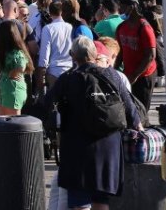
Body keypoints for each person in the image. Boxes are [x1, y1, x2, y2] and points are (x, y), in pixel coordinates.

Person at [46, 37, 141, 210]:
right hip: (108, 145)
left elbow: (47, 104)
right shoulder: (112, 75)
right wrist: (138, 126)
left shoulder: (68, 79)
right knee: (101, 201)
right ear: (94, 54)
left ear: (73, 56)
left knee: (79, 201)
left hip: (78, 144)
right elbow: (129, 106)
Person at [114, 0, 157, 111]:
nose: (120, 9)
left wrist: (135, 75)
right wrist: (113, 71)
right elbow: (121, 52)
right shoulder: (121, 28)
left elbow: (151, 55)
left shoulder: (144, 28)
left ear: (132, 7)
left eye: (122, 6)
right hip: (128, 75)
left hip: (144, 76)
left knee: (142, 111)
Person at [0, 19, 32, 116]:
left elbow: (21, 65)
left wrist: (13, 73)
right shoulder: (6, 51)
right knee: (1, 122)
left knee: (12, 124)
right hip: (5, 89)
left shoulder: (17, 52)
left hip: (13, 90)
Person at [35, 1, 73, 91]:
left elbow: (45, 53)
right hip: (70, 70)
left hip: (54, 72)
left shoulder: (48, 28)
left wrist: (41, 74)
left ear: (50, 12)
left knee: (54, 102)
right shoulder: (70, 27)